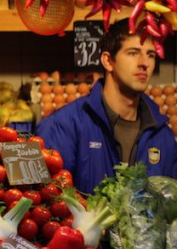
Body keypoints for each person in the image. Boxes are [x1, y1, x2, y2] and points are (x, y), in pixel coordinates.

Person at [36, 19, 177, 193]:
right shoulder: (62, 127)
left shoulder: (163, 137)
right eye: (133, 53)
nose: (145, 63)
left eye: (151, 55)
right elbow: (45, 205)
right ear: (108, 61)